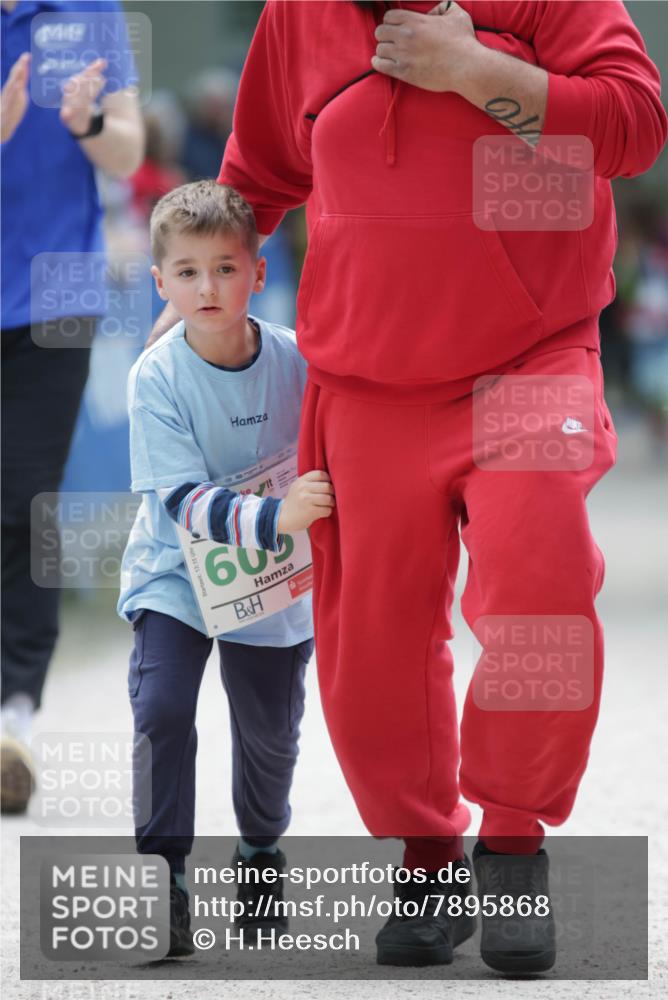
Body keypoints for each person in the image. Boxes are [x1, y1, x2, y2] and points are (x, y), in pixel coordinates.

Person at [151, 0, 667, 972]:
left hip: (528, 356)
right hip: (366, 376)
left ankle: (511, 842)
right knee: (372, 647)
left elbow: (632, 126)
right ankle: (427, 859)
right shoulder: (297, 17)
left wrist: (475, 69)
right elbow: (257, 175)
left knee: (542, 578)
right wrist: (197, 295)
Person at [118, 180, 335, 957]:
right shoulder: (155, 376)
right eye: (186, 272)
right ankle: (164, 880)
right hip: (175, 577)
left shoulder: (299, 362)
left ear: (259, 272)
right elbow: (180, 499)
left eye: (225, 268)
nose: (206, 288)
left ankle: (260, 851)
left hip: (273, 585)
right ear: (160, 282)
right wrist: (278, 516)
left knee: (271, 737)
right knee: (162, 710)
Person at [1, 0, 144, 814]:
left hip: (54, 298)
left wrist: (87, 121)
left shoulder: (90, 11)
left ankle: (12, 713)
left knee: (26, 502)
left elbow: (128, 149)